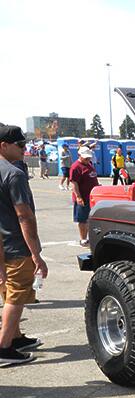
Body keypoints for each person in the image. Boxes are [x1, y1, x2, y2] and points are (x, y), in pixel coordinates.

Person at [0, 125, 48, 365]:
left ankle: (15, 337)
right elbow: (24, 216)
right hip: (16, 245)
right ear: (3, 146)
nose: (24, 148)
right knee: (16, 296)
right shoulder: (14, 174)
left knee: (8, 290)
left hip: (2, 245)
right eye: (19, 145)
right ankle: (4, 346)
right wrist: (36, 253)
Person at [69, 147, 99, 247]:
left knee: (91, 218)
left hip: (92, 197)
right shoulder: (76, 167)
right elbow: (74, 183)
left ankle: (91, 237)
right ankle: (83, 239)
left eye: (89, 158)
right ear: (79, 156)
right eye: (85, 158)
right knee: (82, 219)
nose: (87, 160)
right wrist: (78, 197)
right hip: (83, 197)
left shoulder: (89, 165)